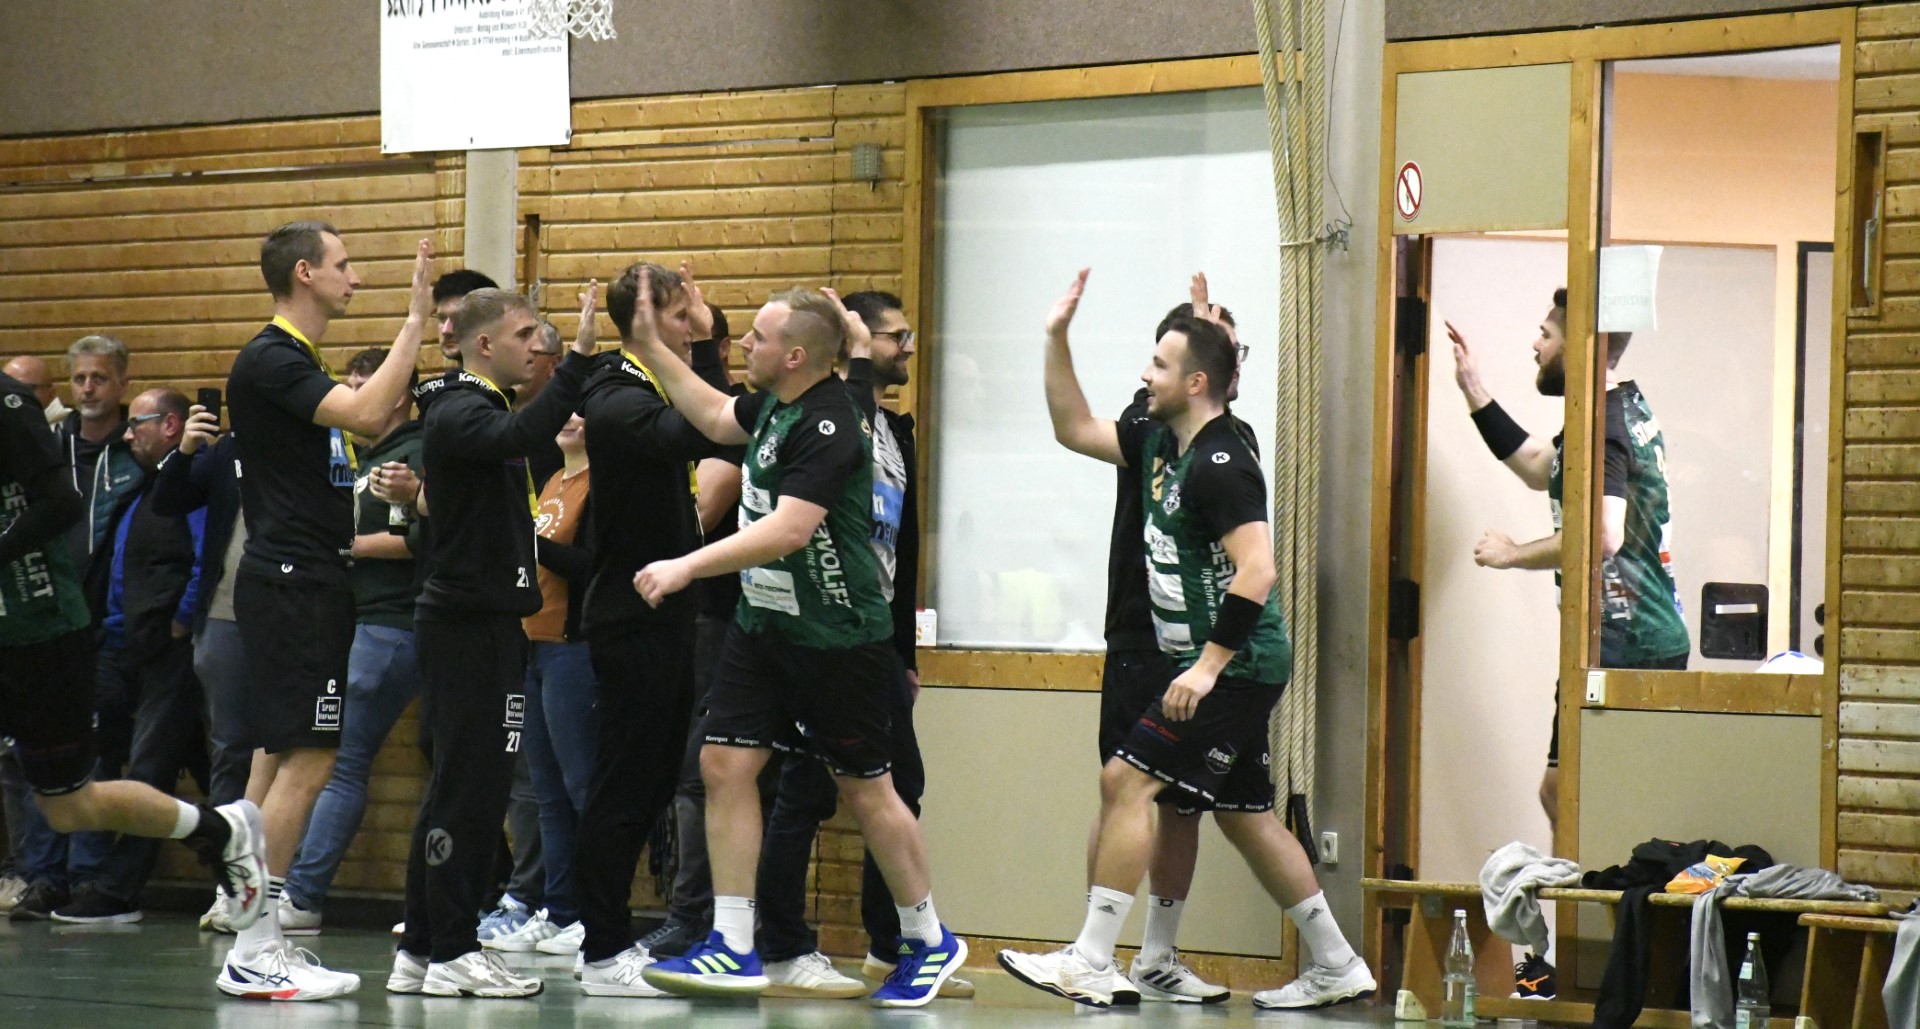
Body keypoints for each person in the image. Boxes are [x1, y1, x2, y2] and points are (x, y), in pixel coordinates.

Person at [999, 269, 1374, 1009]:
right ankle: (1337, 962)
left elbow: (1259, 568)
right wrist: (1055, 336)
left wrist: (1206, 667)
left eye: (1160, 364)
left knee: (1126, 781)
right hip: (1209, 662)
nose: (1145, 375)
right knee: (1244, 814)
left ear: (1198, 380)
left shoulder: (1223, 458)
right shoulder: (1162, 439)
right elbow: (1074, 427)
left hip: (1232, 667)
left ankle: (1092, 957)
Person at [628, 280, 966, 1009]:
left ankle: (927, 936)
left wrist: (687, 565)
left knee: (867, 789)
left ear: (796, 356)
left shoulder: (830, 423)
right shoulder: (774, 407)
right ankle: (733, 941)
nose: (746, 344)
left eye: (759, 336)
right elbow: (713, 413)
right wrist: (653, 345)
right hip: (766, 627)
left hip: (835, 638)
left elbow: (788, 530)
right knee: (723, 764)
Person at [1445, 288, 1689, 998]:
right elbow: (1537, 465)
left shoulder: (1605, 423)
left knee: (1593, 803)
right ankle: (1572, 966)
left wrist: (1513, 553)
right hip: (1612, 639)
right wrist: (1474, 389)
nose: (1535, 343)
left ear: (1585, 345)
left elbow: (1603, 535)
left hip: (1629, 642)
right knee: (1564, 793)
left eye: (1546, 333)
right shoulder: (1609, 410)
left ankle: (1591, 970)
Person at [219, 220, 434, 1000]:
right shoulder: (273, 356)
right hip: (292, 581)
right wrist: (416, 321)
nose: (356, 277)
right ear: (305, 273)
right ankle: (255, 945)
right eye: (345, 264)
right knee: (309, 758)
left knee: (291, 755)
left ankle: (258, 932)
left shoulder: (298, 361)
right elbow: (373, 413)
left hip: (310, 578)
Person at [750, 289, 971, 1000]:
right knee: (805, 792)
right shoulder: (831, 419)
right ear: (856, 344)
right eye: (893, 336)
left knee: (900, 786)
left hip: (872, 642)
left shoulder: (893, 431)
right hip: (818, 637)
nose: (907, 347)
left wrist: (904, 653)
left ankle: (892, 945)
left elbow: (896, 552)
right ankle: (782, 944)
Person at [0, 367, 269, 943]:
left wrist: (180, 621)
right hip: (101, 637)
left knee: (75, 802)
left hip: (42, 633)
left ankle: (217, 832)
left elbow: (62, 504)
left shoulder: (9, 406)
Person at [389, 284, 596, 999]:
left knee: (460, 789)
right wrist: (578, 362)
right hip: (467, 627)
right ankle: (452, 948)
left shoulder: (477, 408)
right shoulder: (460, 409)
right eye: (524, 336)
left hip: (486, 625)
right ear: (484, 345)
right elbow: (520, 436)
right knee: (470, 794)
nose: (537, 347)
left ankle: (422, 948)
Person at [1085, 274, 1251, 1005]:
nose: (1231, 365)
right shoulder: (1148, 422)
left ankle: (1156, 954)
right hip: (1138, 633)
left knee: (1181, 803)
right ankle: (1092, 951)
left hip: (1195, 646)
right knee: (1122, 788)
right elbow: (1089, 425)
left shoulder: (1228, 443)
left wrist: (1213, 660)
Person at [569, 263, 730, 997]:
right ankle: (602, 949)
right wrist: (704, 352)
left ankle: (607, 941)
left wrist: (695, 346)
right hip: (628, 619)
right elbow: (712, 429)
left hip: (666, 618)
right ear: (641, 319)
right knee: (623, 787)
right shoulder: (615, 396)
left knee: (653, 780)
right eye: (676, 312)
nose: (689, 323)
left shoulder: (652, 384)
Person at [278, 347, 425, 935]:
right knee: (321, 755)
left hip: (394, 621)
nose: (353, 396)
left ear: (400, 393)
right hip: (356, 619)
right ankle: (292, 887)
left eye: (366, 386)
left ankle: (302, 895)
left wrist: (343, 547)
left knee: (342, 760)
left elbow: (421, 537)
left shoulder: (416, 451)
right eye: (351, 385)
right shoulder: (363, 455)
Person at [52, 388, 210, 924]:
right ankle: (237, 859)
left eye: (136, 424)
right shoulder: (145, 487)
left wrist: (181, 620)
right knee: (132, 758)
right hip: (121, 646)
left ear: (170, 426)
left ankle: (116, 891)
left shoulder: (190, 486)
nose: (126, 434)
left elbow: (205, 559)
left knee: (150, 769)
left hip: (166, 649)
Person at [482, 413, 595, 959]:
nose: (569, 418)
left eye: (581, 412)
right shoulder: (552, 480)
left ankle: (596, 913)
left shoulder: (600, 483)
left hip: (574, 648)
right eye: (564, 410)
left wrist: (527, 537)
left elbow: (589, 564)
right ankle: (560, 909)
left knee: (581, 786)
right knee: (548, 793)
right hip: (534, 644)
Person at [147, 393, 253, 931]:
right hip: (227, 611)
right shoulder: (229, 448)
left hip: (297, 614)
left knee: (297, 753)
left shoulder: (324, 442)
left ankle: (283, 886)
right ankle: (230, 887)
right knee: (230, 749)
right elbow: (167, 500)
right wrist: (185, 450)